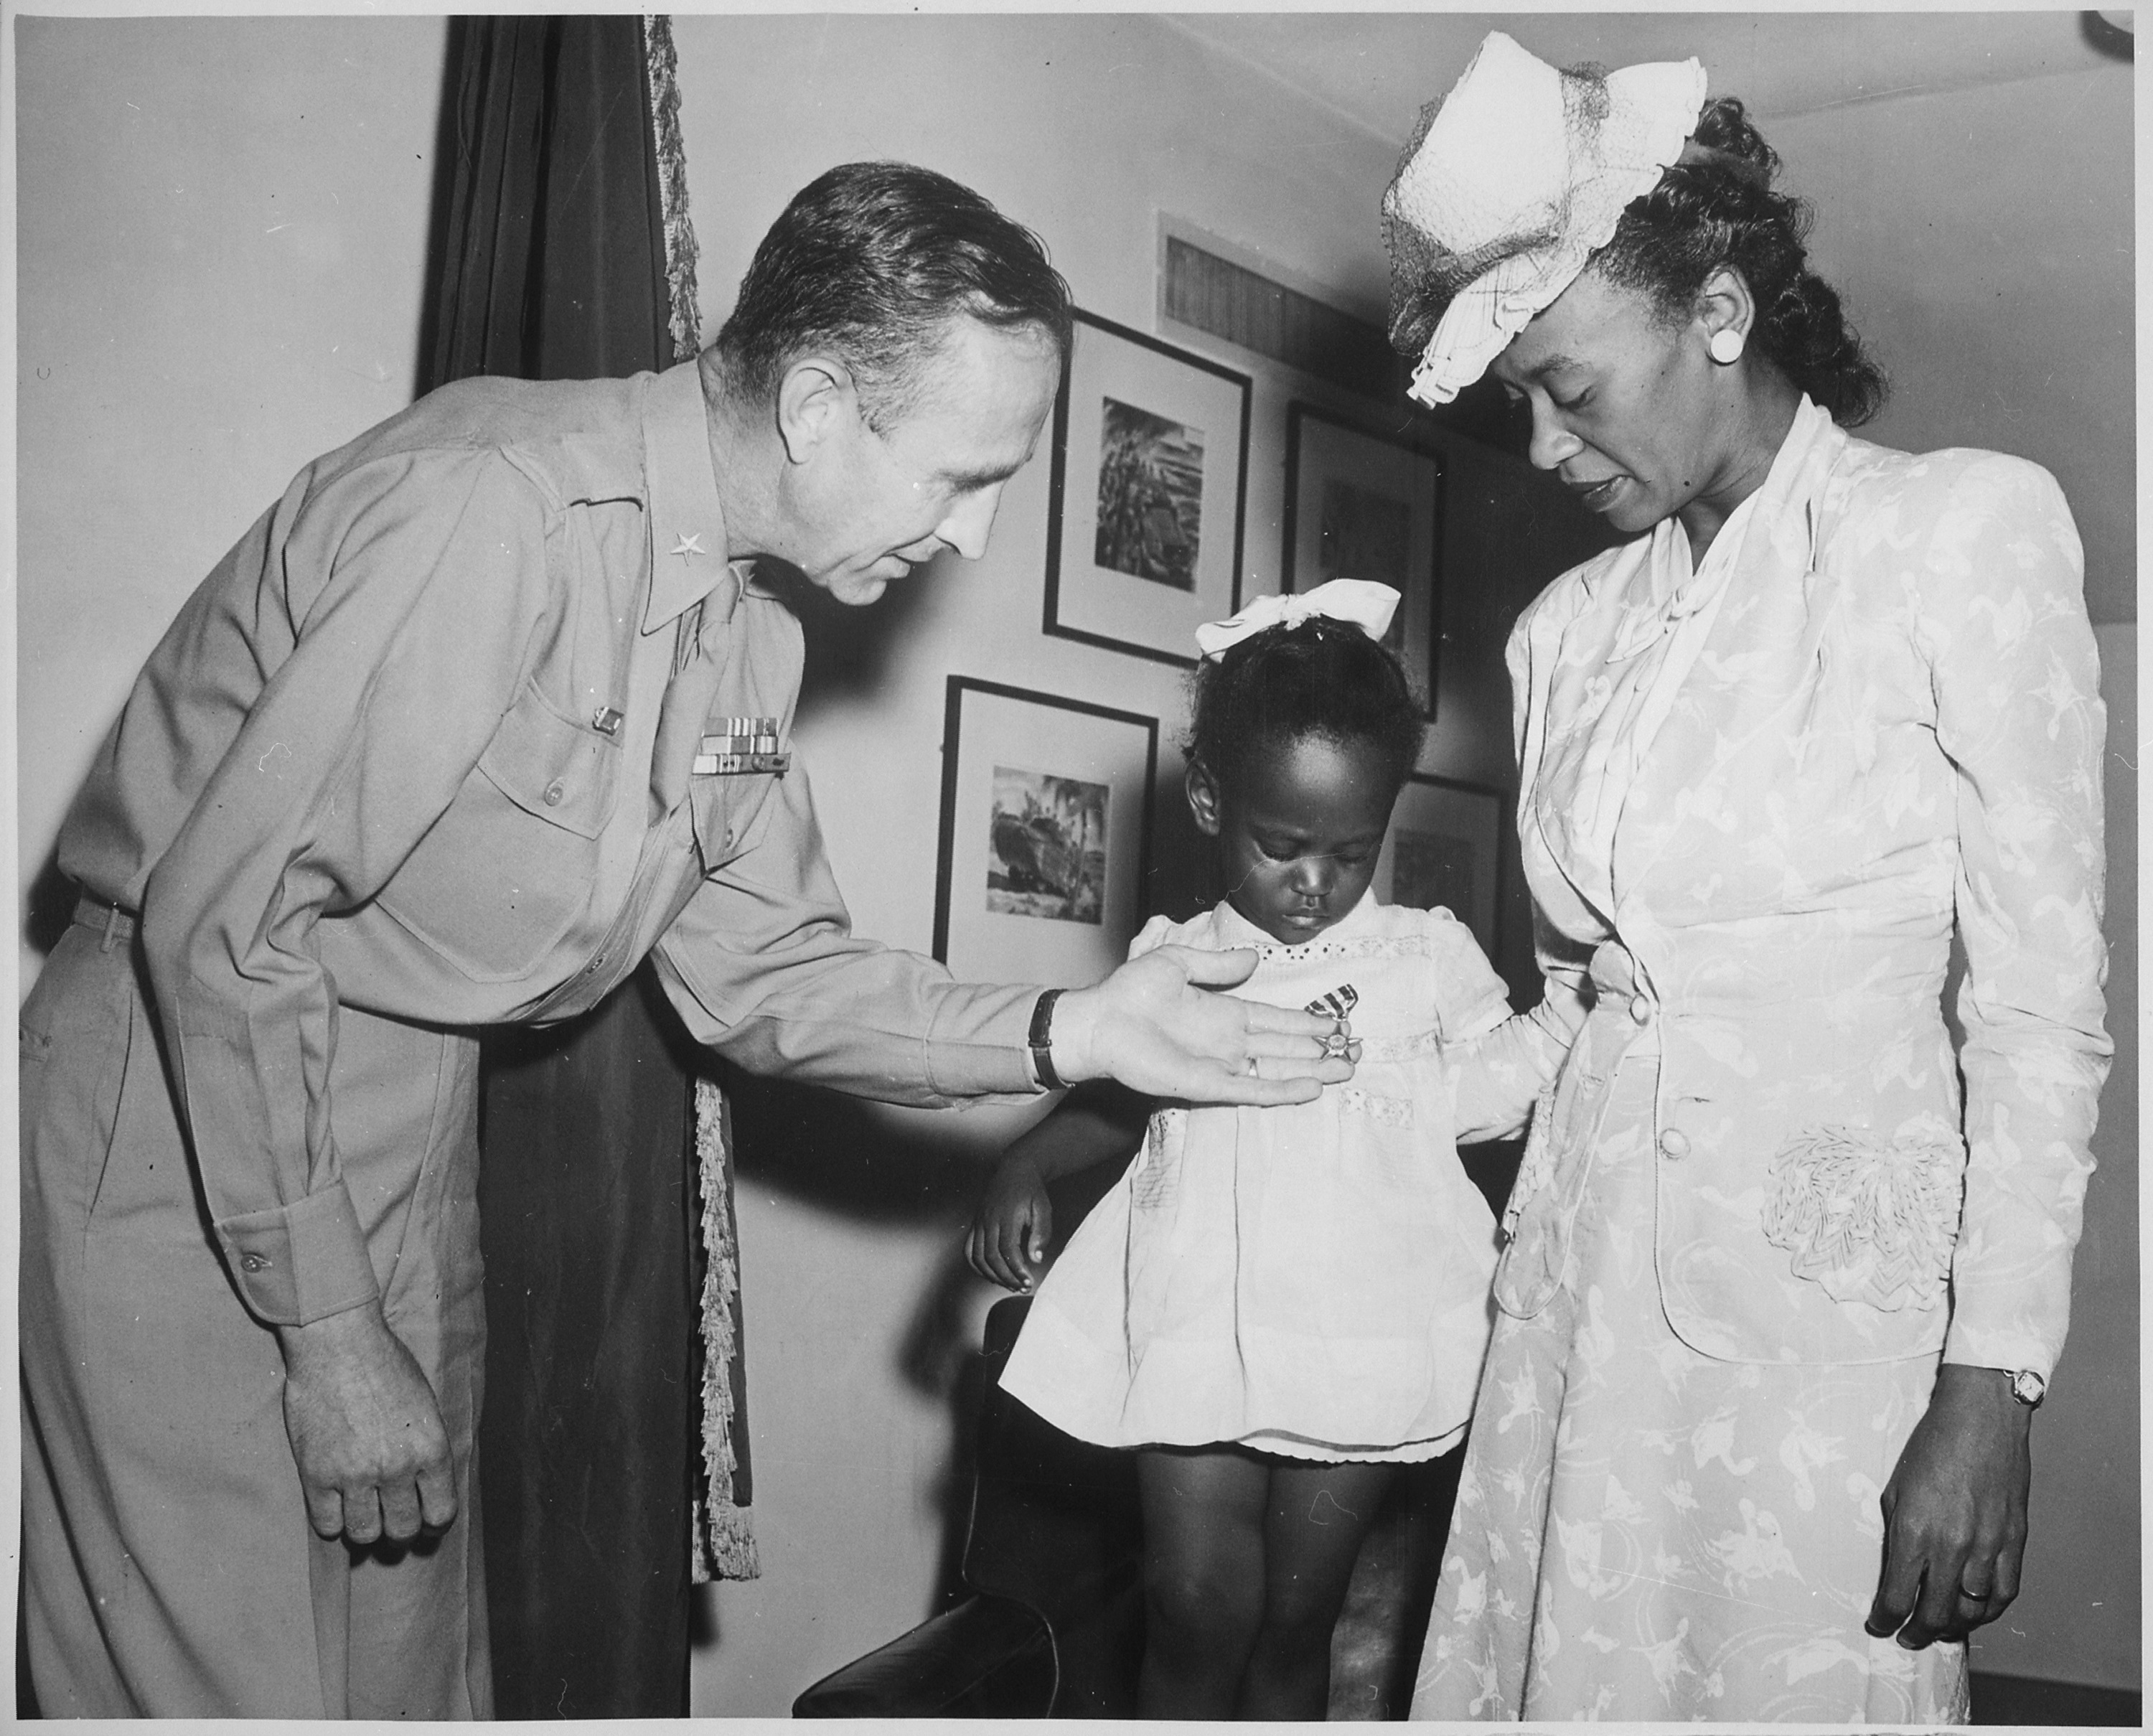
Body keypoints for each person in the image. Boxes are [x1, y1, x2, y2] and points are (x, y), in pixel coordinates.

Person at [17, 161, 1357, 1720]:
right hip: (188, 1112)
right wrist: (328, 1330)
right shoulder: (495, 508)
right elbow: (225, 929)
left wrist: (1083, 1031)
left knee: (406, 1690)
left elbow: (766, 971)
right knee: (216, 1690)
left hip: (397, 1131)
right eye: (961, 478)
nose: (974, 537)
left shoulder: (749, 639)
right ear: (816, 407)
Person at [1378, 36, 2111, 1723]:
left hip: (1825, 1337)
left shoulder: (1957, 534)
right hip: (1574, 1311)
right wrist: (1330, 1083)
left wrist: (1992, 1382)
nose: (1544, 447)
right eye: (1516, 405)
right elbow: (1576, 1004)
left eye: (1572, 388)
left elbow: (2038, 1007)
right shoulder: (1561, 634)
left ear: (1718, 309)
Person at [967, 582, 1582, 1719]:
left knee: (1300, 1622)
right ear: (1210, 798)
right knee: (1196, 1606)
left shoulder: (1421, 957)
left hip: (1359, 1321)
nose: (1316, 885)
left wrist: (1579, 1012)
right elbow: (1128, 1100)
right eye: (1283, 847)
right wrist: (1028, 1164)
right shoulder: (1175, 958)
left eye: (1352, 853)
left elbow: (1487, 1093)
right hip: (1199, 1306)